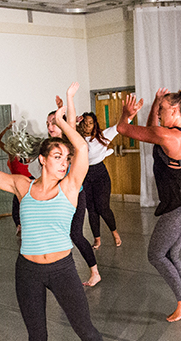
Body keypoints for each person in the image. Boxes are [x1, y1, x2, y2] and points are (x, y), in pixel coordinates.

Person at [0, 85, 135, 341]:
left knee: (84, 327)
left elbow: (79, 146)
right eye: (57, 157)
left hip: (62, 270)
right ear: (43, 160)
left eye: (66, 158)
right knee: (37, 334)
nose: (64, 162)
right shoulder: (23, 185)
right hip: (28, 272)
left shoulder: (71, 186)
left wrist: (63, 119)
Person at [116, 87, 181, 321]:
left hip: (179, 206)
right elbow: (154, 127)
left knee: (155, 255)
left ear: (174, 109)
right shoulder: (174, 133)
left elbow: (123, 128)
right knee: (172, 254)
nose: (160, 113)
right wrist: (155, 103)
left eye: (163, 109)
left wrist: (126, 113)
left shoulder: (169, 136)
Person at [46, 90, 102, 286]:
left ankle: (94, 272)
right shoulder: (49, 146)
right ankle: (57, 271)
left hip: (75, 197)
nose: (50, 126)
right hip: (56, 198)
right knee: (57, 234)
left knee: (75, 234)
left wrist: (69, 99)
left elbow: (70, 122)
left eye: (53, 122)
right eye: (48, 124)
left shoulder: (68, 143)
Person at [76, 112, 122, 249]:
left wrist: (129, 114)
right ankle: (97, 239)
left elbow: (119, 127)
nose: (87, 126)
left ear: (94, 124)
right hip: (85, 174)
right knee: (91, 209)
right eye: (84, 123)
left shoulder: (103, 136)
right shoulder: (77, 138)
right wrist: (73, 121)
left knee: (102, 207)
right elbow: (64, 129)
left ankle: (115, 233)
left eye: (90, 123)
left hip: (100, 174)